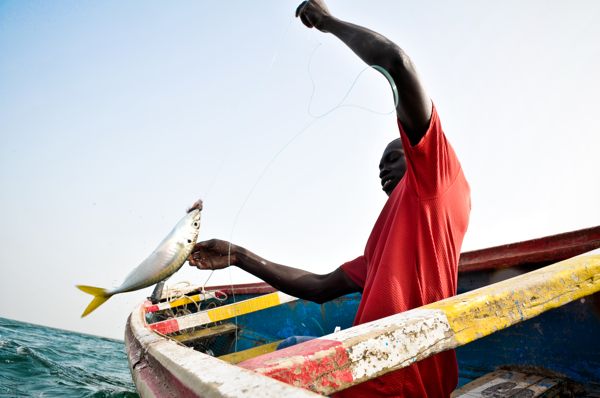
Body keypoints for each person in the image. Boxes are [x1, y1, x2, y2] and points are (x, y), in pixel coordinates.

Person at [189, 1, 471, 396]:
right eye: (380, 165)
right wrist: (239, 256)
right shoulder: (386, 237)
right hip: (367, 376)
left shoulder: (437, 178)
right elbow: (321, 287)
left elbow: (397, 63)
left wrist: (327, 22)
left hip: (401, 384)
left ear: (419, 151)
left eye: (393, 157)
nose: (382, 170)